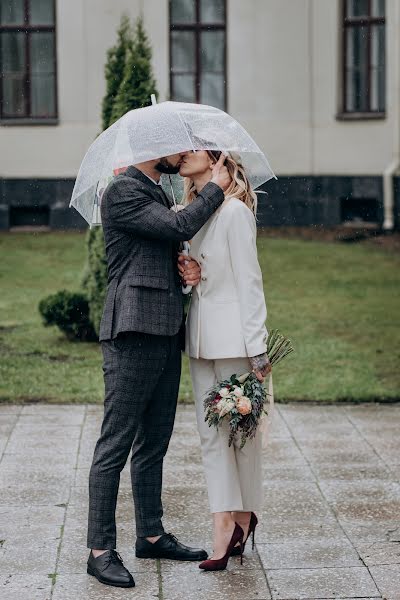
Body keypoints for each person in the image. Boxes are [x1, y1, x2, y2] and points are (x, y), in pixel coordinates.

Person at [87, 151, 231, 588]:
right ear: (152, 148)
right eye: (178, 148)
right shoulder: (124, 189)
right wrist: (215, 189)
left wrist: (183, 268)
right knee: (116, 442)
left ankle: (150, 534)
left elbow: (163, 244)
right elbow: (178, 226)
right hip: (132, 329)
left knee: (155, 441)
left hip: (165, 328)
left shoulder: (154, 188)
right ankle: (99, 550)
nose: (183, 155)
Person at [178, 149, 271, 571]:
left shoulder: (234, 213)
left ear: (216, 159)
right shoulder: (187, 212)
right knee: (210, 437)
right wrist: (189, 275)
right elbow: (192, 278)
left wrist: (258, 347)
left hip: (235, 341)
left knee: (242, 435)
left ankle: (244, 514)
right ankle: (224, 525)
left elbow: (250, 281)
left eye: (192, 149)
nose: (182, 155)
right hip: (198, 340)